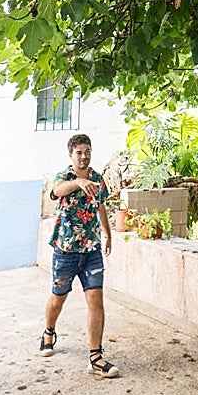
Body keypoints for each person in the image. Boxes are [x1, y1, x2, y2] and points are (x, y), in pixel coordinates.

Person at [39, 133, 119, 378]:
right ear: (71, 155)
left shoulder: (97, 178)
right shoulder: (65, 176)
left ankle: (95, 357)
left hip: (91, 250)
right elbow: (56, 191)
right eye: (79, 152)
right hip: (66, 251)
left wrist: (107, 234)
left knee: (96, 300)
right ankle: (48, 331)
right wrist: (78, 183)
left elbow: (101, 205)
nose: (84, 156)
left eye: (87, 151)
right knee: (58, 298)